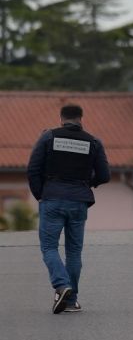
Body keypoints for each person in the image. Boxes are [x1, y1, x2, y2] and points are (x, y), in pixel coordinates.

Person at [26, 103, 110, 314]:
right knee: (74, 251)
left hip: (52, 198)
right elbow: (104, 175)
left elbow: (33, 169)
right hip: (79, 201)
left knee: (49, 247)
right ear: (82, 119)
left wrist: (41, 194)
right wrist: (86, 183)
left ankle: (62, 286)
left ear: (60, 118)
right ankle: (71, 301)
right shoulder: (93, 141)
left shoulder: (48, 137)